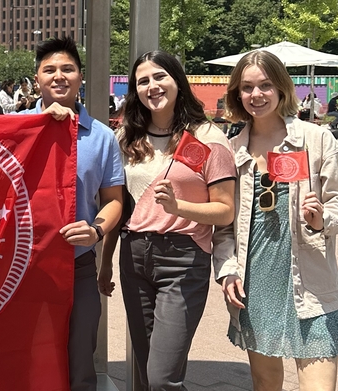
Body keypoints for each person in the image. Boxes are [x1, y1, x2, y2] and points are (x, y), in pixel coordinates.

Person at [219, 50, 338, 391]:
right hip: (254, 282)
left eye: (266, 85)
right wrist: (227, 271)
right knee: (265, 383)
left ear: (281, 88)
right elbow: (222, 226)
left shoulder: (316, 139)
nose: (257, 95)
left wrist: (321, 218)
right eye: (247, 87)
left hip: (308, 283)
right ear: (237, 93)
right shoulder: (231, 149)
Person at [116, 50, 236, 391]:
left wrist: (179, 207)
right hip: (134, 256)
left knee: (162, 378)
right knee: (145, 367)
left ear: (178, 82)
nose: (152, 86)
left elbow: (225, 210)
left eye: (159, 77)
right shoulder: (127, 138)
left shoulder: (208, 138)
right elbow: (116, 203)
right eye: (142, 81)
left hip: (183, 260)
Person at [20, 37, 126, 391]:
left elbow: (114, 199)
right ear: (37, 79)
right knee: (22, 357)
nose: (58, 76)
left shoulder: (102, 137)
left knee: (80, 361)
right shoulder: (13, 129)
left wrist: (96, 230)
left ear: (80, 76)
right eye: (49, 70)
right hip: (22, 266)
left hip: (77, 264)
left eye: (67, 69)